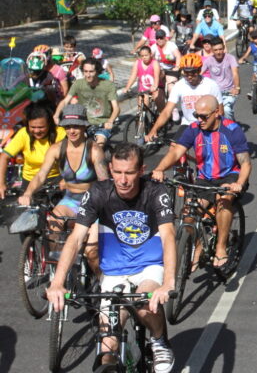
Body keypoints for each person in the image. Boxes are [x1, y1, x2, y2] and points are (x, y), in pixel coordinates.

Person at [46, 143, 176, 373]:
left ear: (141, 170)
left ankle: (159, 340)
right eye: (117, 172)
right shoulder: (98, 192)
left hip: (149, 266)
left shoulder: (156, 192)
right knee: (108, 346)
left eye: (129, 173)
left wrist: (168, 283)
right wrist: (57, 282)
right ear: (110, 169)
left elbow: (168, 237)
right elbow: (76, 238)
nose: (123, 180)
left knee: (144, 305)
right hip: (115, 271)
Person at [152, 95, 250, 271]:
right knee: (189, 212)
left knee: (224, 201)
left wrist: (239, 183)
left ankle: (221, 246)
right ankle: (197, 246)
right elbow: (175, 154)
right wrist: (159, 169)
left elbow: (245, 163)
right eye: (197, 115)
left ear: (217, 112)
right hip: (205, 178)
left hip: (230, 176)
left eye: (204, 116)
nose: (199, 120)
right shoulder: (194, 129)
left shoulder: (232, 130)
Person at [20, 104, 109, 272]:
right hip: (69, 201)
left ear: (84, 127)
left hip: (91, 202)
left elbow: (104, 183)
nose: (72, 131)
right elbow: (40, 175)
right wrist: (28, 192)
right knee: (52, 226)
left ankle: (102, 286)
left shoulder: (94, 151)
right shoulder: (56, 149)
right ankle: (65, 275)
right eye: (68, 127)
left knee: (91, 252)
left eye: (76, 126)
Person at [145, 54, 223, 142]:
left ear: (199, 70)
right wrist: (154, 129)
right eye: (186, 73)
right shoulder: (179, 85)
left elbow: (220, 111)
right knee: (174, 148)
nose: (189, 76)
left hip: (208, 124)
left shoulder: (211, 85)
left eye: (193, 73)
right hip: (188, 123)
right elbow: (167, 111)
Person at [0, 102, 66, 199]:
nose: (36, 131)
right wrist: (1, 183)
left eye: (41, 127)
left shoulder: (61, 133)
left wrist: (67, 179)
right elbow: (4, 157)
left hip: (55, 182)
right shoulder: (23, 134)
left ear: (49, 124)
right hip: (29, 183)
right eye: (33, 127)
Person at [54, 58, 119, 147]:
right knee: (70, 145)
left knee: (98, 145)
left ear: (98, 71)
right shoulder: (78, 84)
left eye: (91, 72)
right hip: (84, 123)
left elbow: (116, 108)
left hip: (102, 124)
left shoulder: (108, 85)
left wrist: (110, 121)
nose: (88, 75)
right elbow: (65, 101)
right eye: (85, 71)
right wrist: (56, 115)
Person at [201, 37, 240, 120]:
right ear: (211, 50)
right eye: (215, 50)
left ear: (224, 48)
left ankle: (230, 129)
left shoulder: (230, 58)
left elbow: (235, 73)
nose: (218, 52)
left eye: (220, 49)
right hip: (215, 93)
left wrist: (236, 87)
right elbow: (199, 73)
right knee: (212, 113)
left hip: (229, 91)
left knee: (226, 110)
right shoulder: (208, 61)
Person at [123, 45, 163, 111]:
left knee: (158, 100)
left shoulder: (154, 63)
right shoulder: (137, 63)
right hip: (143, 89)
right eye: (142, 56)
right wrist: (127, 87)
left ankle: (163, 116)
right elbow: (133, 76)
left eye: (146, 55)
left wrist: (155, 86)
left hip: (155, 86)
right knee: (141, 106)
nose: (144, 57)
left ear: (150, 54)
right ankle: (142, 119)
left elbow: (156, 76)